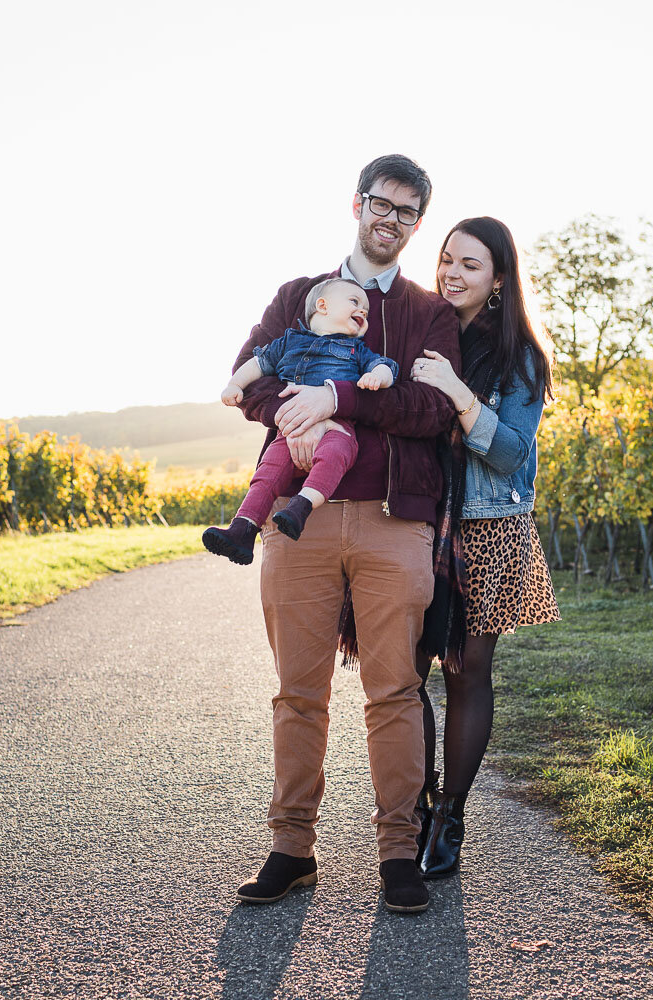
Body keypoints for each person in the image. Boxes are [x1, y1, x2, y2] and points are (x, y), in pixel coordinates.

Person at [230, 155, 459, 915]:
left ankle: (398, 853)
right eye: (380, 204)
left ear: (417, 223)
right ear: (356, 204)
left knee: (394, 690)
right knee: (299, 692)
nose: (389, 221)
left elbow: (433, 415)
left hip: (397, 521)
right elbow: (249, 379)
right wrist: (293, 412)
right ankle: (291, 848)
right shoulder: (299, 297)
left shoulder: (428, 314)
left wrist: (341, 398)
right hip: (301, 521)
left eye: (407, 212)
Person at [409, 216, 560, 879]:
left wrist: (455, 392)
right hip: (419, 525)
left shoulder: (521, 358)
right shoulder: (421, 334)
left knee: (466, 674)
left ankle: (449, 818)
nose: (451, 273)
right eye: (445, 259)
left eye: (469, 264)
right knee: (403, 674)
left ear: (499, 280)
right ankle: (412, 807)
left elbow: (506, 452)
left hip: (488, 528)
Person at [203, 278, 396, 561]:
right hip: (290, 432)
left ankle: (301, 506)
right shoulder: (289, 342)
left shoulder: (356, 349)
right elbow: (257, 364)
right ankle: (243, 528)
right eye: (355, 302)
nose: (363, 311)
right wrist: (235, 385)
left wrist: (377, 377)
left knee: (335, 454)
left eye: (366, 309)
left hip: (337, 428)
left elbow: (385, 366)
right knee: (270, 467)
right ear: (322, 306)